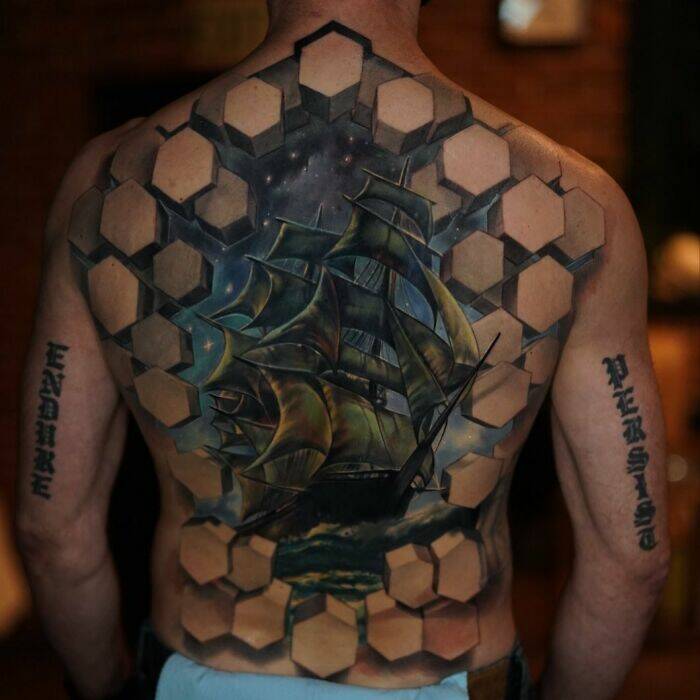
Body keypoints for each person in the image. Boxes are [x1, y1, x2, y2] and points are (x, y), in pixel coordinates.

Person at [16, 1, 670, 698]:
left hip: (201, 672)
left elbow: (54, 534)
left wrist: (107, 686)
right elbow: (631, 561)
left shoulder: (109, 187)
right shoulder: (576, 208)